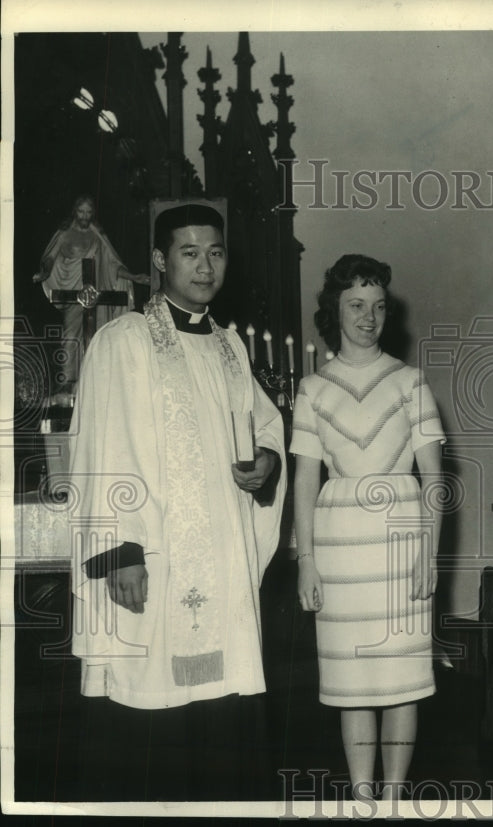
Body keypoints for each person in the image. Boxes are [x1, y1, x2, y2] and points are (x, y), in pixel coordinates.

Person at [68, 202, 287, 800]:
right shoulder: (125, 341)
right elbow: (101, 446)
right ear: (161, 261)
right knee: (153, 704)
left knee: (219, 710)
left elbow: (263, 425)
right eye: (189, 253)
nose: (205, 266)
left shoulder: (229, 347)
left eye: (215, 253)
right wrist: (120, 552)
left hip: (220, 565)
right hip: (153, 560)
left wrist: (267, 460)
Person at [291, 254, 444, 801]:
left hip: (400, 544)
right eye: (356, 305)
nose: (368, 317)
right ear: (335, 310)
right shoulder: (312, 389)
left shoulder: (410, 382)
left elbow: (434, 479)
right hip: (339, 551)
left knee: (403, 686)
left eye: (378, 307)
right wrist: (305, 559)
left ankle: (395, 800)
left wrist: (429, 554)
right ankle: (361, 799)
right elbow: (305, 481)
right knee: (351, 688)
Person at [33, 195, 149, 391]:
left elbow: (112, 265)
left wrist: (134, 277)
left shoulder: (98, 236)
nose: (85, 216)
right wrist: (44, 272)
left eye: (88, 212)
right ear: (74, 212)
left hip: (95, 294)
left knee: (96, 337)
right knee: (71, 336)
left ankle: (93, 384)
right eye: (81, 211)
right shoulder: (64, 234)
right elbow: (50, 258)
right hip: (74, 293)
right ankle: (68, 384)